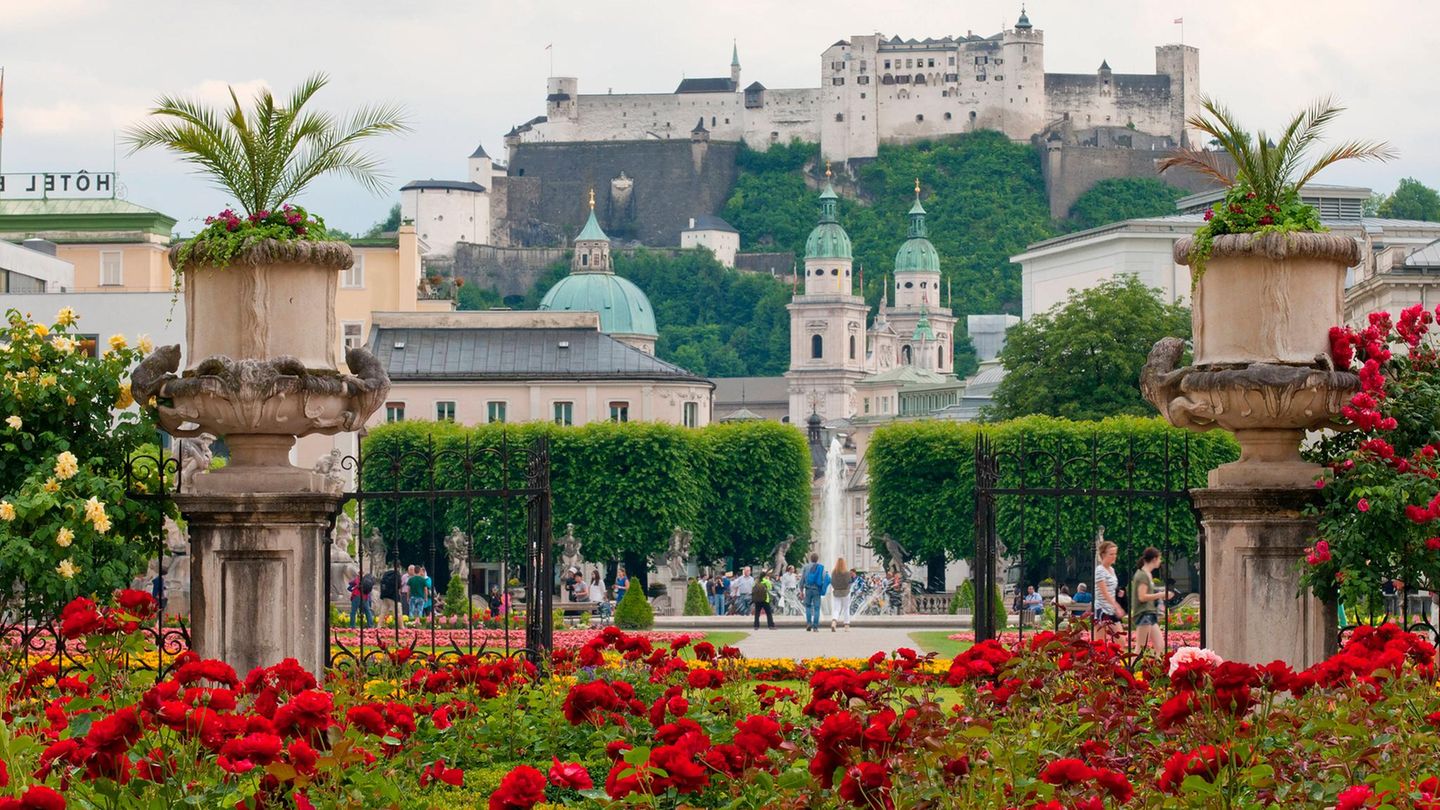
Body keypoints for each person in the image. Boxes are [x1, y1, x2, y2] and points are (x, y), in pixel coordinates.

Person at [1131, 547, 1174, 655]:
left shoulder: (1147, 574)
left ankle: (1157, 665)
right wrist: (1161, 595)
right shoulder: (1142, 575)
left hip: (1149, 613)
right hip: (1144, 613)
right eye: (1159, 559)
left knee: (1160, 645)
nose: (1160, 561)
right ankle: (1131, 666)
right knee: (1140, 649)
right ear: (1154, 559)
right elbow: (1142, 597)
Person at [1093, 541, 1125, 636]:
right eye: (1111, 554)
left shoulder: (1112, 569)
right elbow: (1104, 592)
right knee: (1100, 641)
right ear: (1103, 555)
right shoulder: (1100, 570)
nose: (1114, 556)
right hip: (1102, 610)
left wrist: (1118, 591)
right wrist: (1117, 607)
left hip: (1111, 609)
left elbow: (1110, 587)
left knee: (1121, 640)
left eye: (1115, 554)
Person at [800, 553, 829, 632]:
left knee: (808, 606)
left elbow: (802, 580)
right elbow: (824, 578)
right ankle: (815, 627)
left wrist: (801, 591)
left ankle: (809, 623)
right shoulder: (821, 567)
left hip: (808, 589)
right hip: (817, 590)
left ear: (810, 559)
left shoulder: (806, 567)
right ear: (817, 559)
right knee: (817, 608)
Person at [830, 557, 854, 631]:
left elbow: (832, 582)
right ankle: (846, 626)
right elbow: (848, 582)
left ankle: (834, 621)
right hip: (845, 592)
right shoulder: (846, 573)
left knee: (836, 609)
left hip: (836, 592)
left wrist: (835, 587)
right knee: (846, 609)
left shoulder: (833, 572)